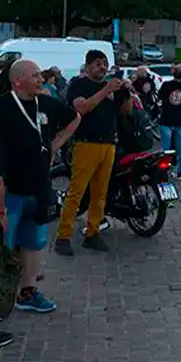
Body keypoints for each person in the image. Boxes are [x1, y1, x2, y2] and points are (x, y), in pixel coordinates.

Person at [0, 59, 80, 313]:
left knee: (34, 241)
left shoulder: (46, 102)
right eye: (34, 75)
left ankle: (28, 291)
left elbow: (74, 118)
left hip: (39, 185)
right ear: (17, 80)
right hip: (10, 187)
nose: (40, 79)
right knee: (5, 243)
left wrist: (55, 145)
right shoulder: (4, 106)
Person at [55, 50, 131, 257]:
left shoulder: (109, 88)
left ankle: (93, 232)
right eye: (98, 64)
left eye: (105, 64)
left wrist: (126, 93)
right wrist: (106, 89)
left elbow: (126, 111)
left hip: (109, 145)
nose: (103, 68)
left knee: (100, 194)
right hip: (86, 145)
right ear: (88, 66)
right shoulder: (80, 84)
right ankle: (63, 236)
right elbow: (83, 108)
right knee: (76, 192)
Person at [157, 65, 181, 180]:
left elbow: (160, 97)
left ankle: (163, 171)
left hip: (166, 119)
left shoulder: (166, 85)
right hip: (179, 120)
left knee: (166, 149)